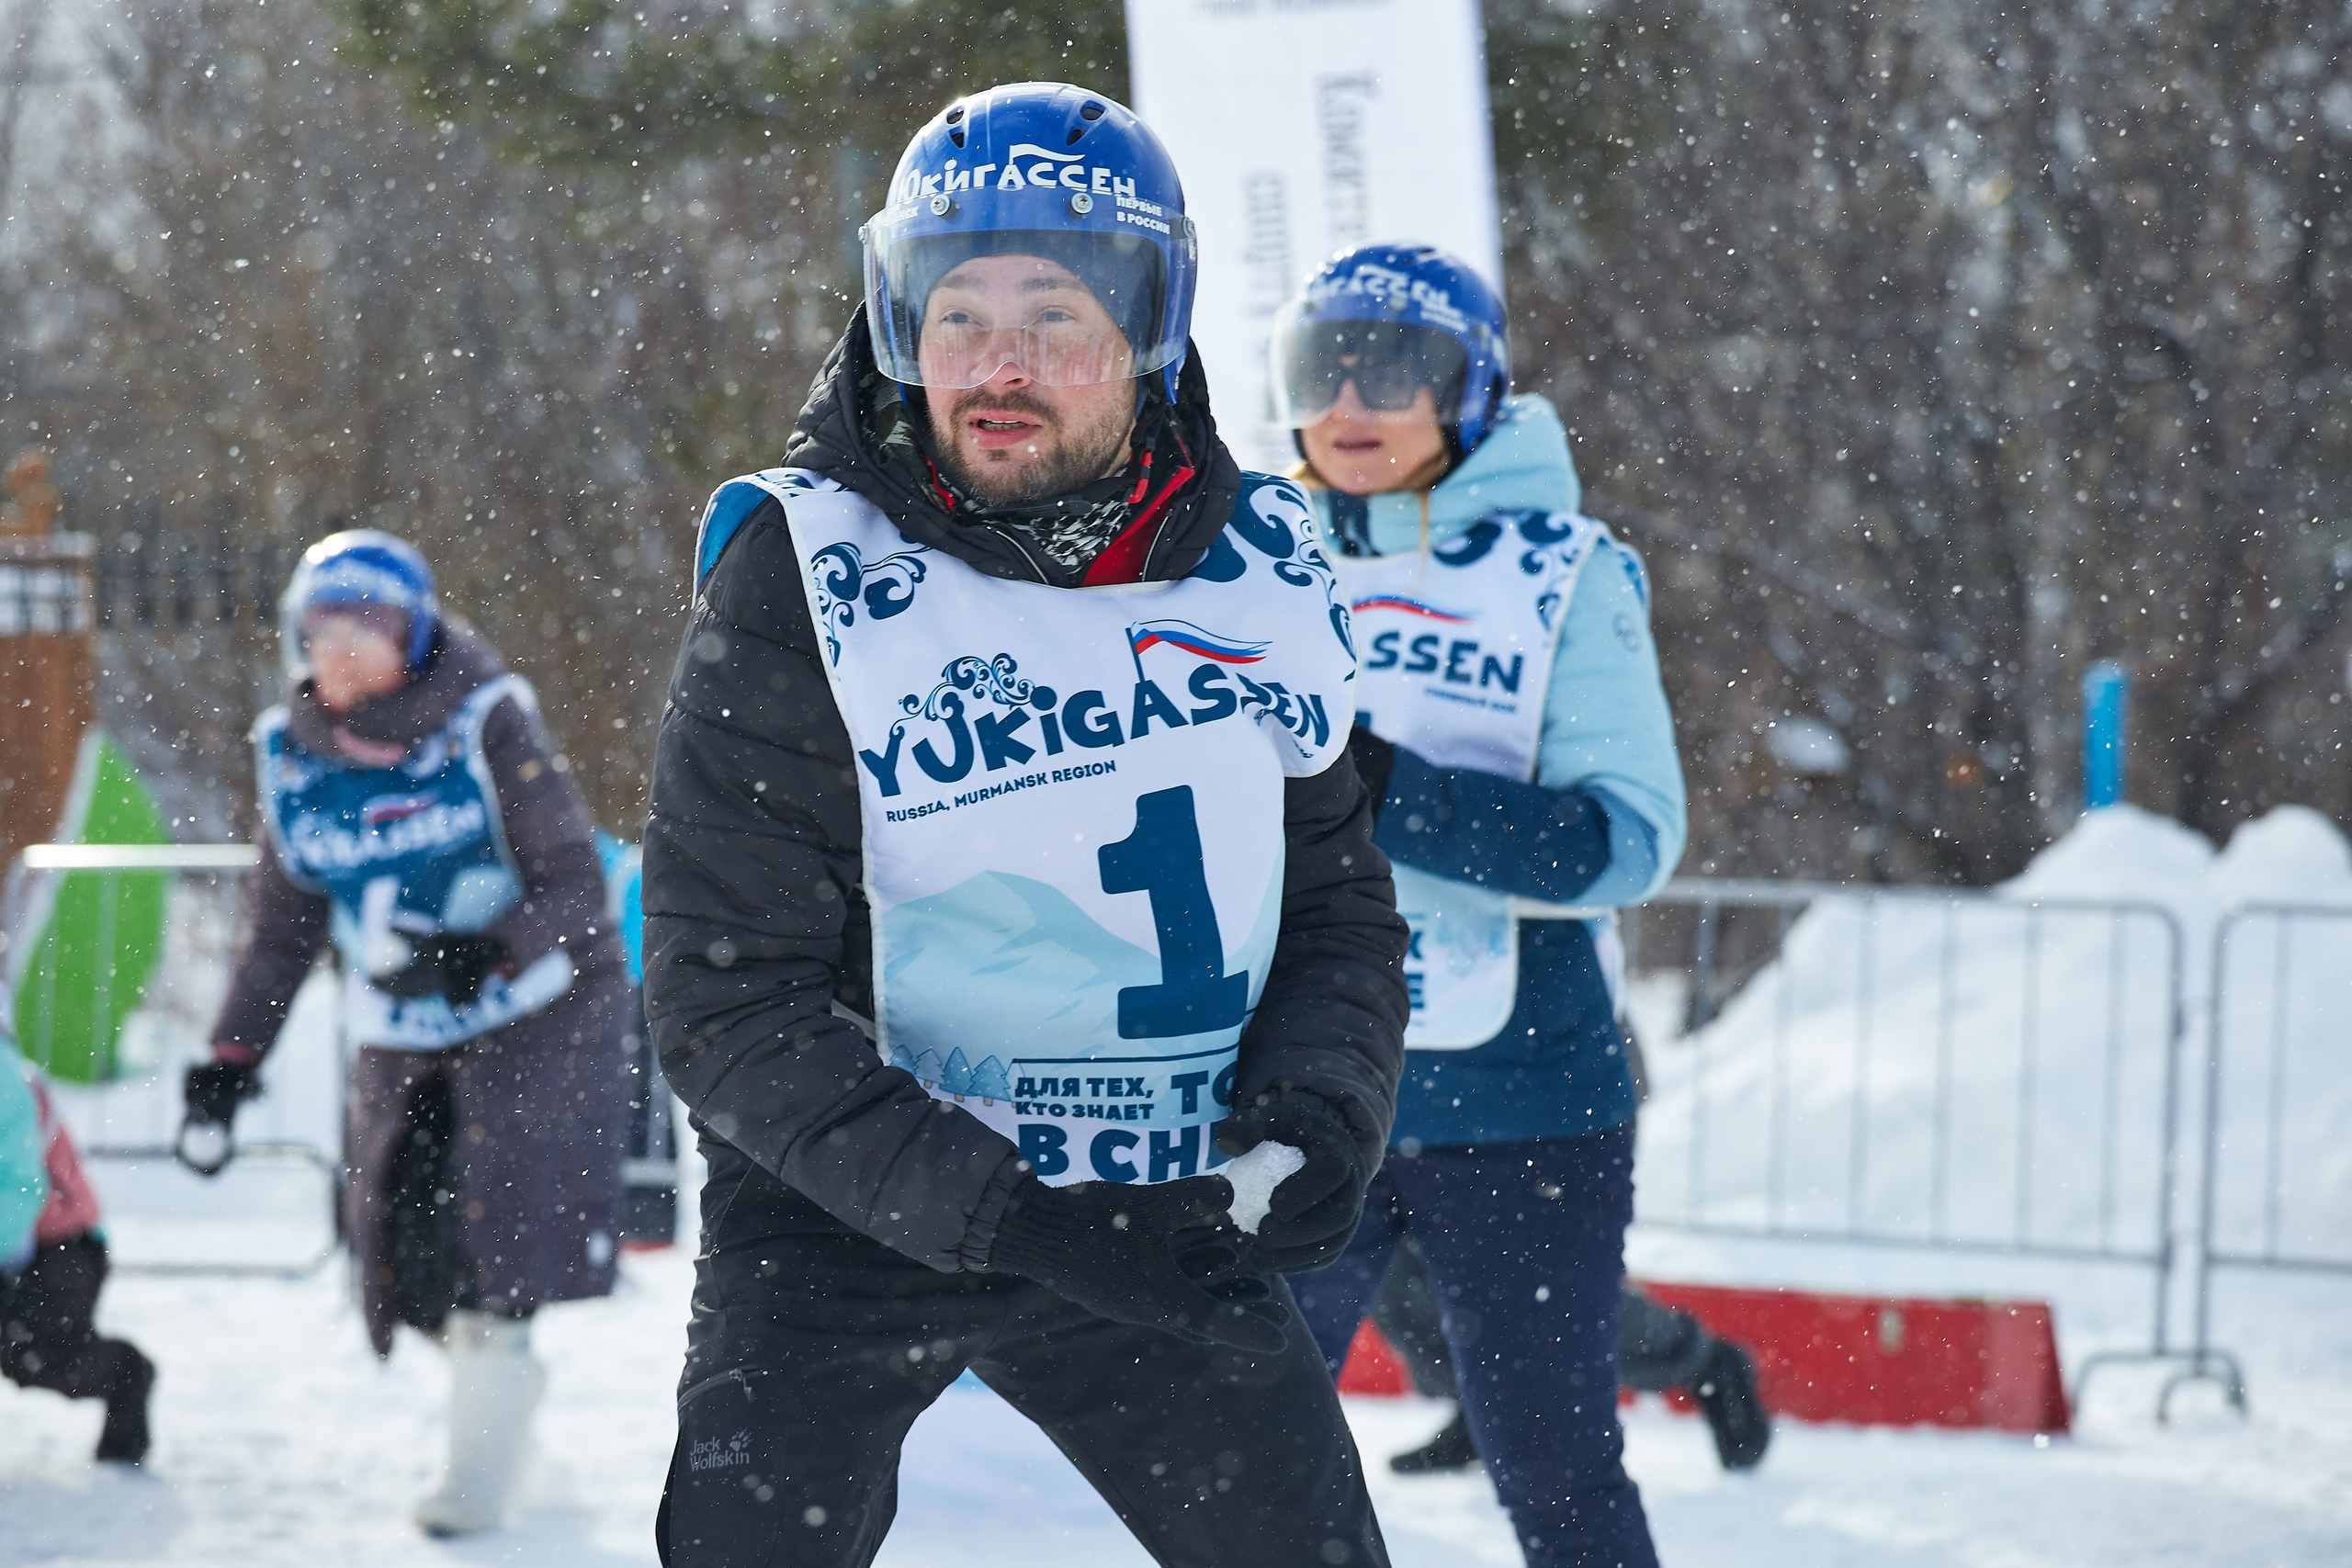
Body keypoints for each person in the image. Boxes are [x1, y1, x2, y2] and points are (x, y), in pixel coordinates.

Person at [644, 81, 1408, 1568]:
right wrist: (1013, 1217)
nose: (1001, 363)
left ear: (1149, 328)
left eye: (1056, 315)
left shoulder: (1267, 569)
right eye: (956, 313)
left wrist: (1323, 1117)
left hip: (1158, 1205)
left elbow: (1335, 907)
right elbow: (724, 995)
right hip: (842, 1214)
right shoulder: (804, 573)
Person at [1272, 243, 1687, 1568]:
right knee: (1232, 1457)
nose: (1351, 403)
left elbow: (1627, 841)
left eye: (1393, 369)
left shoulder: (1569, 568)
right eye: (1318, 368)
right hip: (1297, 1093)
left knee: (1553, 1470)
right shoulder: (1251, 557)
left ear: (1471, 388)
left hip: (1517, 1104)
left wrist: (1385, 790)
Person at [179, 530, 630, 1536]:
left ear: (412, 634)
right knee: (409, 1265)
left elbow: (575, 886)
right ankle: (508, 1417)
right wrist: (228, 1058)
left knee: (494, 1256)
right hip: (399, 1031)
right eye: (320, 629)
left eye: (366, 627)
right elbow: (281, 929)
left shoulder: (486, 722)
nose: (340, 649)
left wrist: (486, 949)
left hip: (535, 1021)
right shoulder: (290, 757)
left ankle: (475, 1480)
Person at [1372, 1240, 1771, 1474]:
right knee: (1399, 1273)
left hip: (1542, 1114)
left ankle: (1703, 1361)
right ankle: (1489, 1408)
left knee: (1550, 1291)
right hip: (1409, 1121)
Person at [2, 1040, 154, 1463]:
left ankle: (126, 1375)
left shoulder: (5, 1079)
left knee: (39, 1356)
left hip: (62, 1242)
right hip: (16, 1238)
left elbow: (20, 1190)